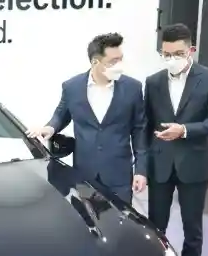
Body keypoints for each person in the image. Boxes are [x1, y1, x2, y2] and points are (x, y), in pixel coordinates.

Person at [145, 24, 208, 256]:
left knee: (193, 229)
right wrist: (142, 164)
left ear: (191, 50)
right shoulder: (153, 82)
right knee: (156, 228)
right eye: (166, 54)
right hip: (160, 164)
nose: (171, 59)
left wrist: (185, 130)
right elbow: (146, 124)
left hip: (193, 163)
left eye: (177, 53)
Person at [29, 33, 147, 203]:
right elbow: (61, 114)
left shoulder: (132, 88)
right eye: (113, 61)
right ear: (95, 62)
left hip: (118, 173)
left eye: (120, 59)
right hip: (84, 173)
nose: (119, 66)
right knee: (85, 217)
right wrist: (49, 128)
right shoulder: (72, 87)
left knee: (121, 218)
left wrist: (141, 170)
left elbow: (139, 130)